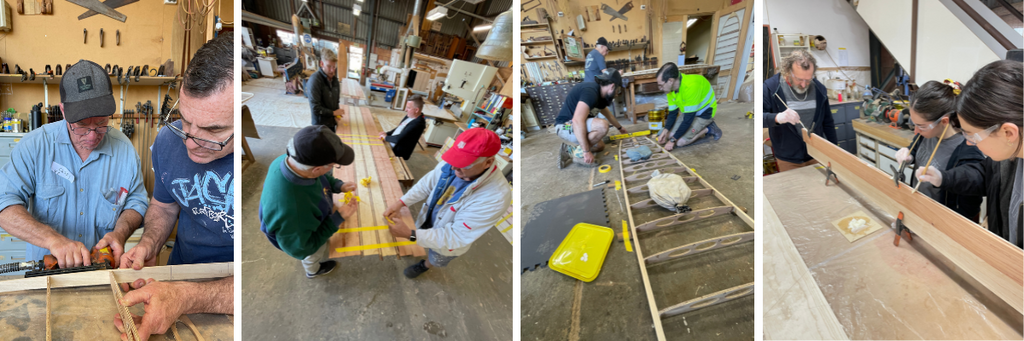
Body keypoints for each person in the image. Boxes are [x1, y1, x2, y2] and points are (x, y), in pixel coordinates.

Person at [113, 34, 235, 340]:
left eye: (213, 129)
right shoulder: (168, 142)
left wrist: (189, 296)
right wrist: (150, 243)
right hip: (179, 273)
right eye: (185, 120)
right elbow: (165, 205)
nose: (191, 142)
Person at [0, 59, 148, 269]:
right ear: (63, 111)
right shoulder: (35, 146)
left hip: (100, 273)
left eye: (101, 123)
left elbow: (136, 201)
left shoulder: (124, 150)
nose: (91, 135)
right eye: (81, 125)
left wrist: (120, 233)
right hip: (48, 275)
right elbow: (4, 202)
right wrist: (52, 239)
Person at [917, 60, 1024, 248]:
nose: (969, 142)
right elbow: (985, 175)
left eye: (973, 135)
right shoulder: (1008, 156)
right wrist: (943, 177)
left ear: (1008, 133)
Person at [382, 128, 512, 278]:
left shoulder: (495, 197)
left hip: (449, 241)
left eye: (465, 163)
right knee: (423, 236)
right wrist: (401, 202)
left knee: (437, 257)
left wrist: (409, 234)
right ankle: (419, 239)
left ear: (488, 162)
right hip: (431, 217)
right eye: (455, 159)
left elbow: (456, 236)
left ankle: (425, 265)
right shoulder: (454, 163)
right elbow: (426, 184)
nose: (454, 167)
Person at [259, 125, 360, 278]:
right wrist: (338, 217)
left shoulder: (290, 161)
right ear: (316, 169)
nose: (332, 169)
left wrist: (339, 185)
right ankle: (313, 270)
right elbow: (302, 248)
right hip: (301, 240)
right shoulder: (292, 210)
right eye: (332, 166)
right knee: (313, 254)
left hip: (302, 222)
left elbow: (322, 177)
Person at [893, 80, 984, 221]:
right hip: (919, 210)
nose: (916, 131)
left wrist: (943, 178)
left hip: (942, 220)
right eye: (914, 124)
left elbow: (975, 186)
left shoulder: (966, 148)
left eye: (921, 126)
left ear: (944, 121)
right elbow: (916, 147)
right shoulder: (927, 135)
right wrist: (908, 153)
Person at [763, 49, 837, 171]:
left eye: (808, 80)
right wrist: (777, 118)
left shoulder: (820, 90)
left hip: (816, 154)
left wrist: (834, 150)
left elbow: (828, 122)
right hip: (788, 159)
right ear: (787, 71)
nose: (804, 85)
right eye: (799, 79)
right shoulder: (771, 88)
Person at [554, 69, 628, 166]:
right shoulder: (591, 92)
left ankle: (570, 151)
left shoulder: (600, 96)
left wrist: (620, 128)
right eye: (617, 90)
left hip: (573, 126)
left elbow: (609, 115)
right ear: (612, 86)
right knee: (602, 126)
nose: (617, 94)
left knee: (600, 146)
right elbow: (577, 120)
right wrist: (586, 151)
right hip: (564, 126)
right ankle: (580, 155)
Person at [654, 62, 722, 151]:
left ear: (670, 81)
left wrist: (672, 140)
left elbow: (687, 120)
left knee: (679, 142)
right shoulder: (671, 89)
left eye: (661, 85)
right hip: (689, 112)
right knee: (669, 135)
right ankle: (678, 134)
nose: (660, 88)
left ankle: (709, 128)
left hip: (704, 114)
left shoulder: (691, 87)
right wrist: (665, 131)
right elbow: (673, 113)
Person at [306, 48, 344, 132]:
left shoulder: (335, 81)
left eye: (334, 67)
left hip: (332, 123)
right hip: (320, 126)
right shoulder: (315, 80)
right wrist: (334, 113)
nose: (332, 70)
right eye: (329, 66)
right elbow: (315, 108)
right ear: (322, 64)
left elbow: (336, 101)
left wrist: (336, 115)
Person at [379, 94, 427, 160]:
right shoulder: (410, 115)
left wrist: (386, 137)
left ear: (416, 110)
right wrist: (387, 133)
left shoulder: (418, 124)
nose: (405, 110)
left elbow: (398, 139)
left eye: (408, 108)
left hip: (398, 152)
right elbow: (399, 127)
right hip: (393, 142)